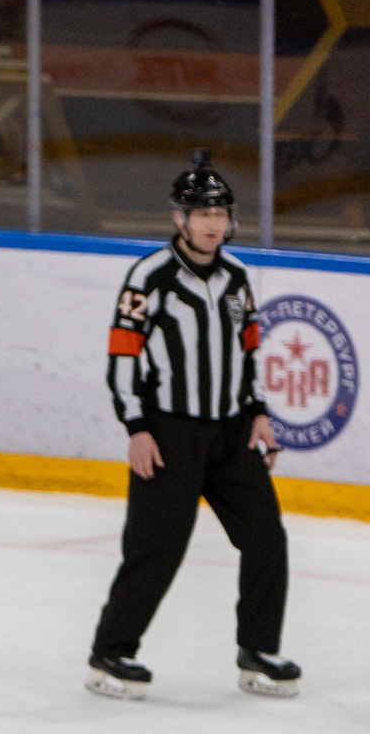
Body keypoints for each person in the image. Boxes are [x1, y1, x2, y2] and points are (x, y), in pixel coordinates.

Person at [89, 150, 299, 702]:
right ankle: (111, 654)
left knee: (265, 537)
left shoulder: (238, 276)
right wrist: (136, 426)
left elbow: (249, 347)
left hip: (231, 434)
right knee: (156, 547)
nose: (212, 223)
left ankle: (258, 650)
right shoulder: (149, 276)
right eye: (201, 214)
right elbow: (122, 356)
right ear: (179, 220)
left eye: (220, 213)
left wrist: (257, 411)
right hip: (169, 434)